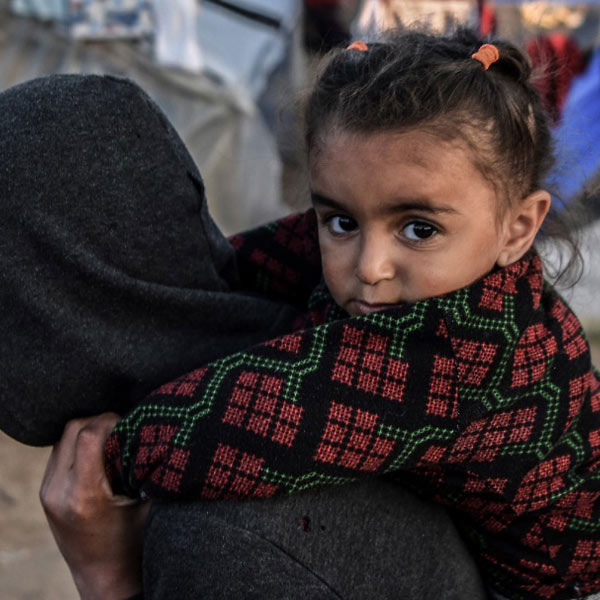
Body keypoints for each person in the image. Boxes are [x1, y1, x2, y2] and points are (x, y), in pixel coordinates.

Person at [89, 28, 599, 600]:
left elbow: (247, 427)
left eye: (420, 229)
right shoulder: (413, 263)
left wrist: (110, 452)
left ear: (519, 227)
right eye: (342, 221)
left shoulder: (467, 353)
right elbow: (247, 264)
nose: (370, 265)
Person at [1, 59, 484, 599]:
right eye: (341, 223)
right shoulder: (304, 340)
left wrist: (107, 578)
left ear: (46, 302)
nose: (372, 269)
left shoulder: (220, 530)